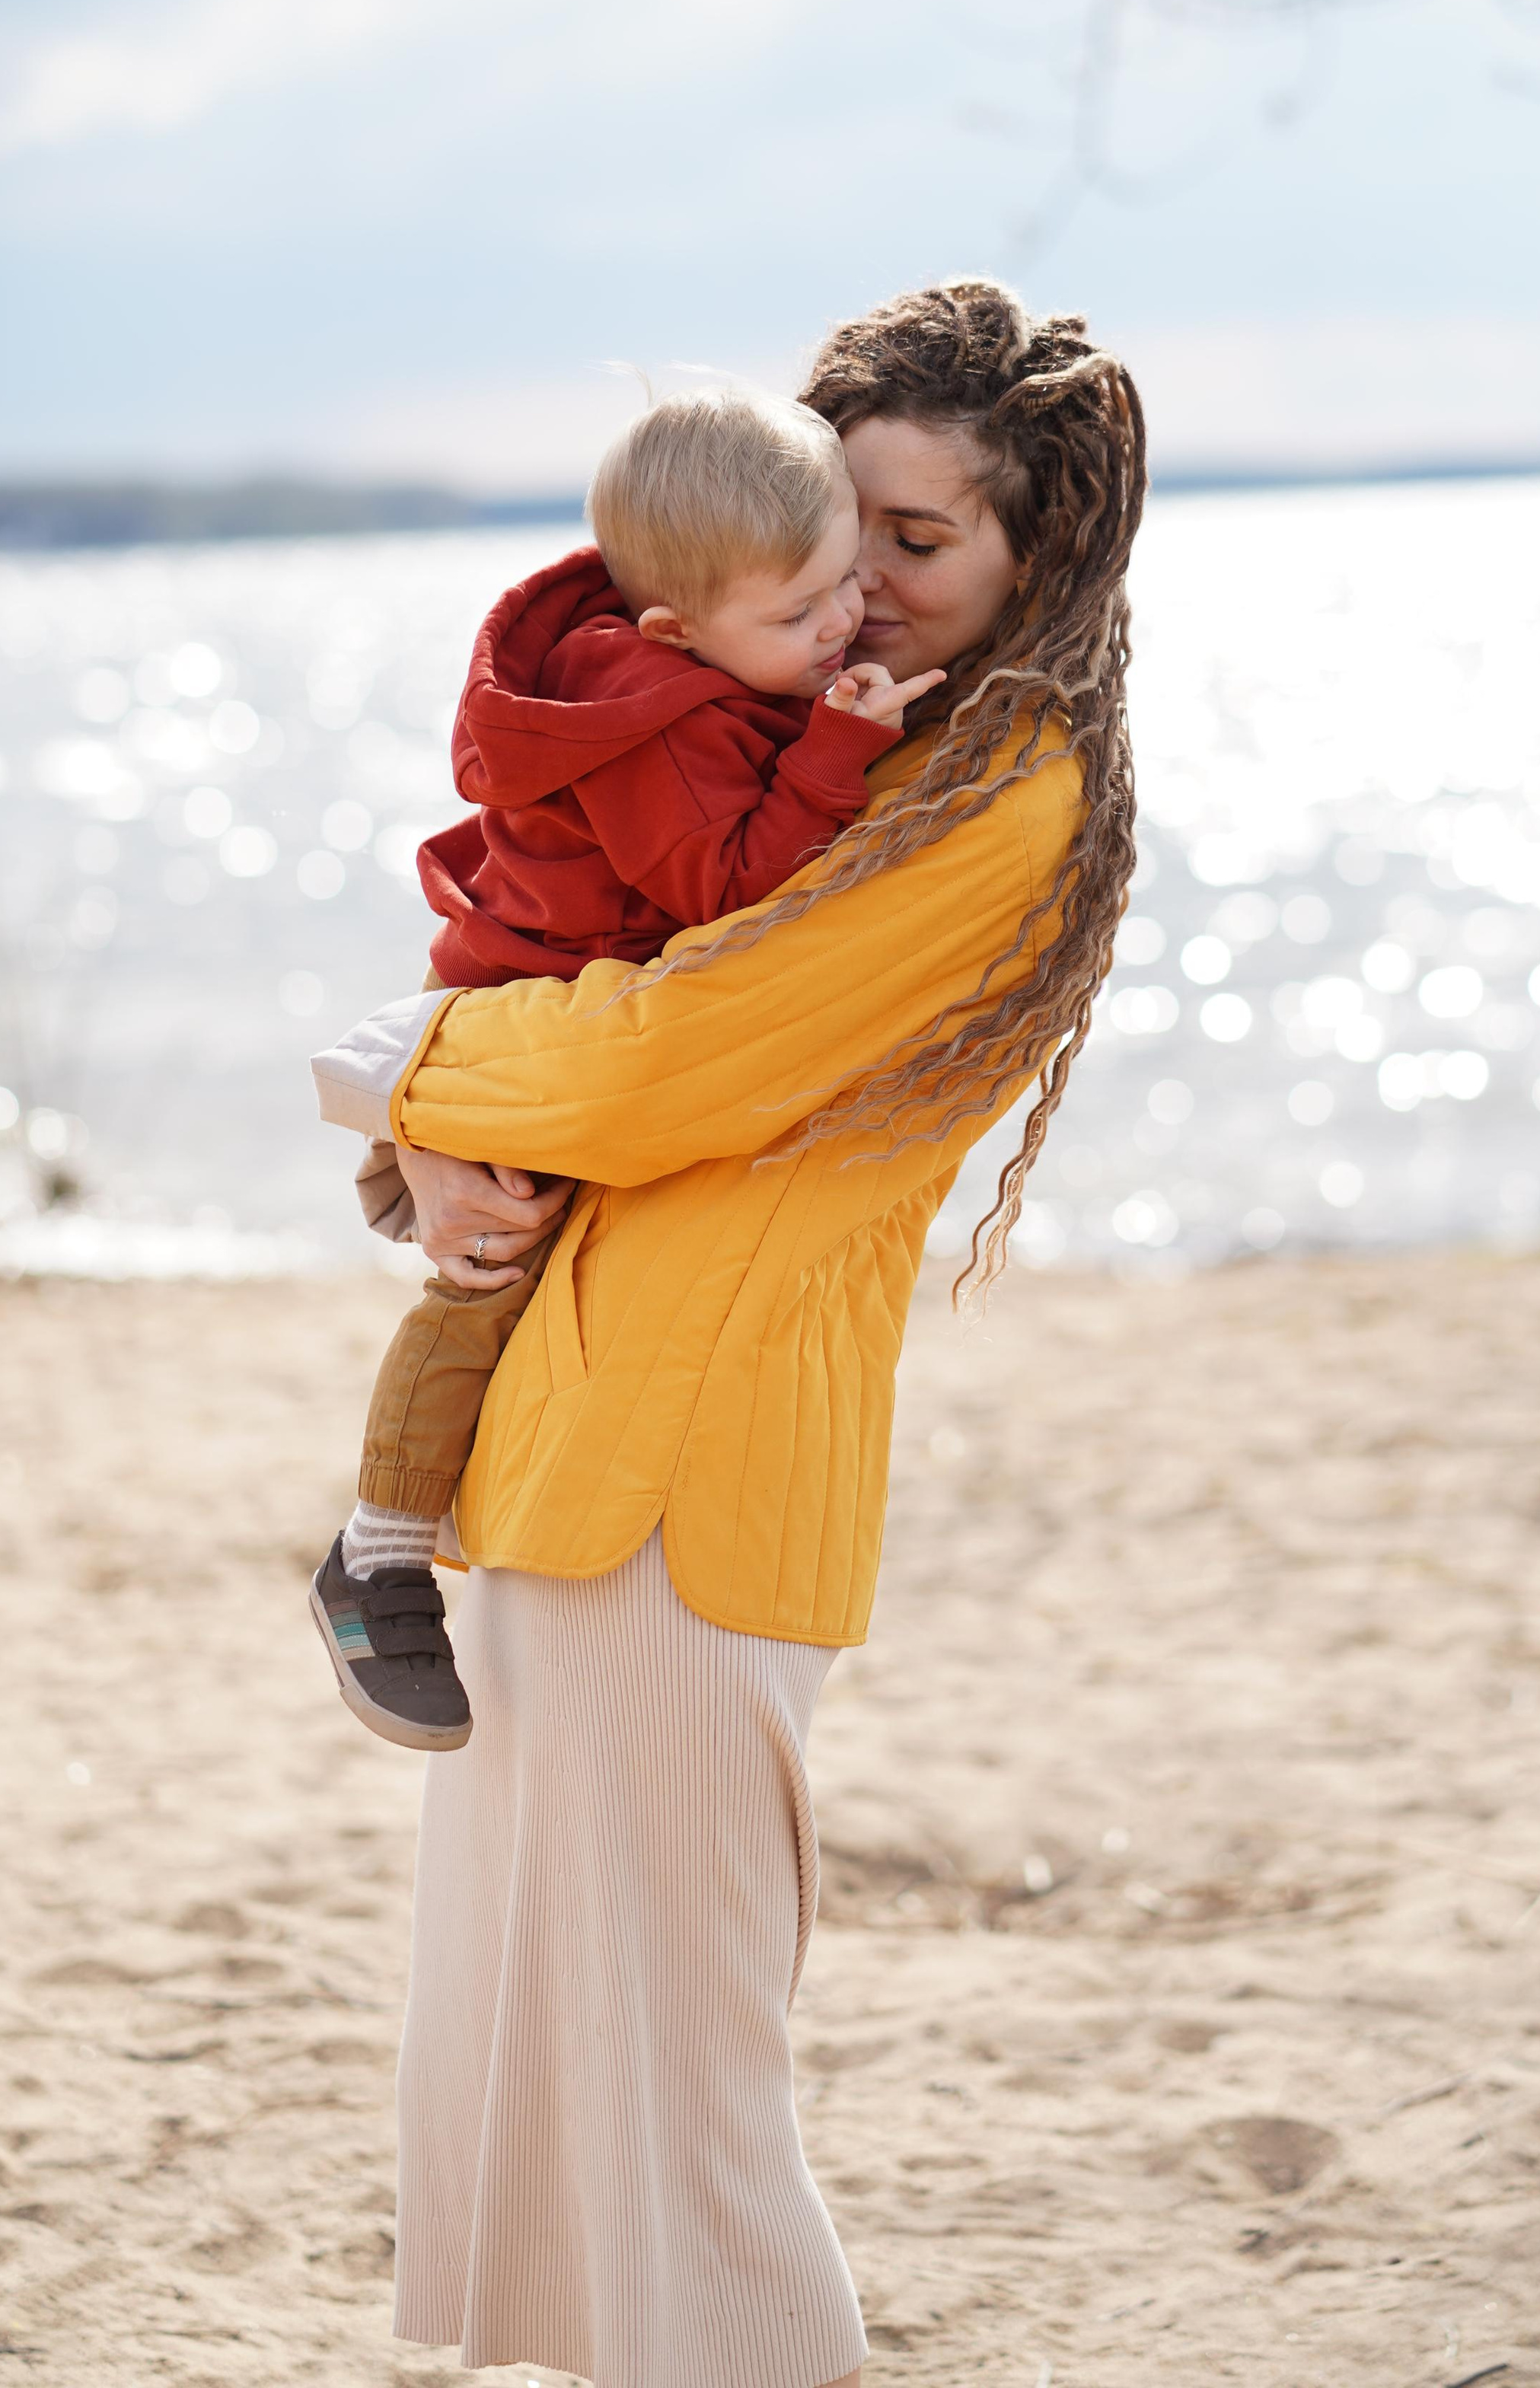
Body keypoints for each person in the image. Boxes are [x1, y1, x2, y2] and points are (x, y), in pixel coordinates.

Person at [311, 278, 1147, 2388]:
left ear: (1042, 558)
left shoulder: (997, 795)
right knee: (555, 2082)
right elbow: (588, 970)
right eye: (840, 526)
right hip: (580, 1446)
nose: (862, 578)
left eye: (920, 542)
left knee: (684, 2116)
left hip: (696, 1487)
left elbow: (652, 1070)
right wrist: (434, 1132)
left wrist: (388, 1071)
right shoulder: (800, 729)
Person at [308, 387, 942, 1749]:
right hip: (517, 1012)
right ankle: (375, 1553)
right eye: (803, 612)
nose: (847, 619)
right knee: (488, 1278)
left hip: (524, 986)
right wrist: (844, 748)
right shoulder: (658, 718)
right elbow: (726, 886)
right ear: (672, 630)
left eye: (850, 578)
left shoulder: (701, 637)